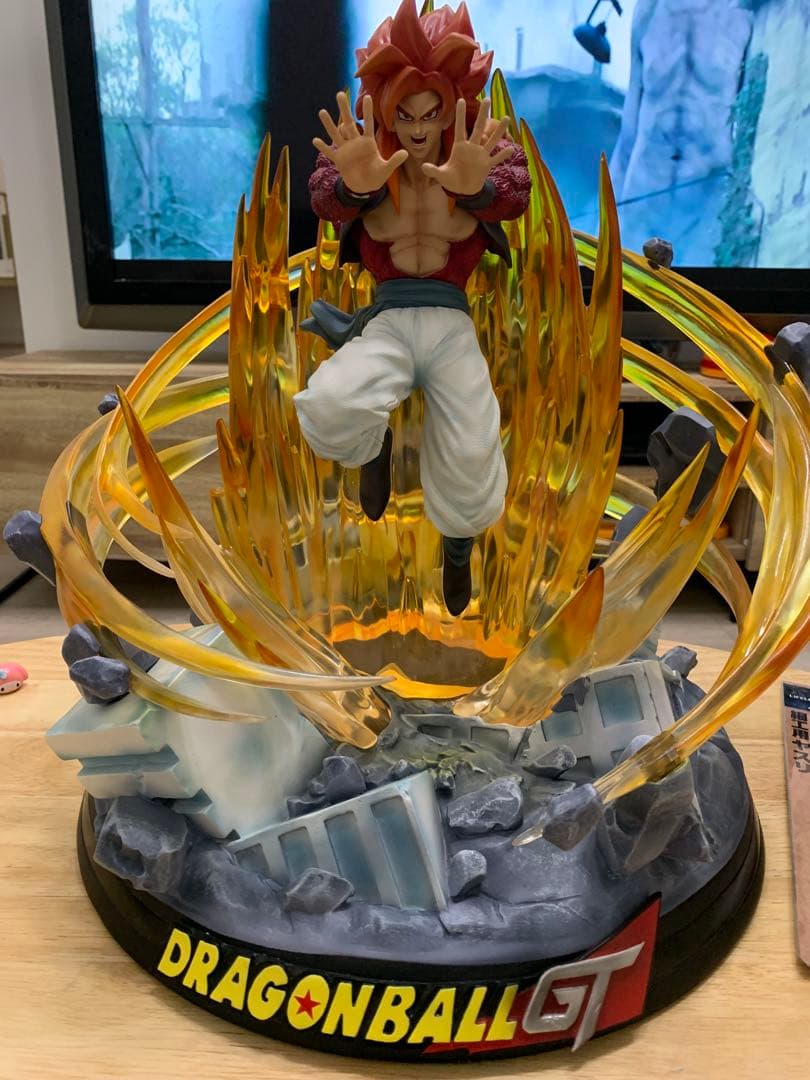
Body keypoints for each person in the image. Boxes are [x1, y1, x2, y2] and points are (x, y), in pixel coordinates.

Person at [293, 0, 530, 615]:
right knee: (329, 403)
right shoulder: (362, 151)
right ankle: (372, 446)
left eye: (430, 114)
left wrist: (479, 187)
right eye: (405, 114)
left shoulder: (480, 146)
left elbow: (515, 194)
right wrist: (350, 186)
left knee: (473, 448)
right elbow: (324, 197)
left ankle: (458, 549)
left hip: (452, 323)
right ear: (385, 109)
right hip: (389, 319)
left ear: (451, 108)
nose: (419, 129)